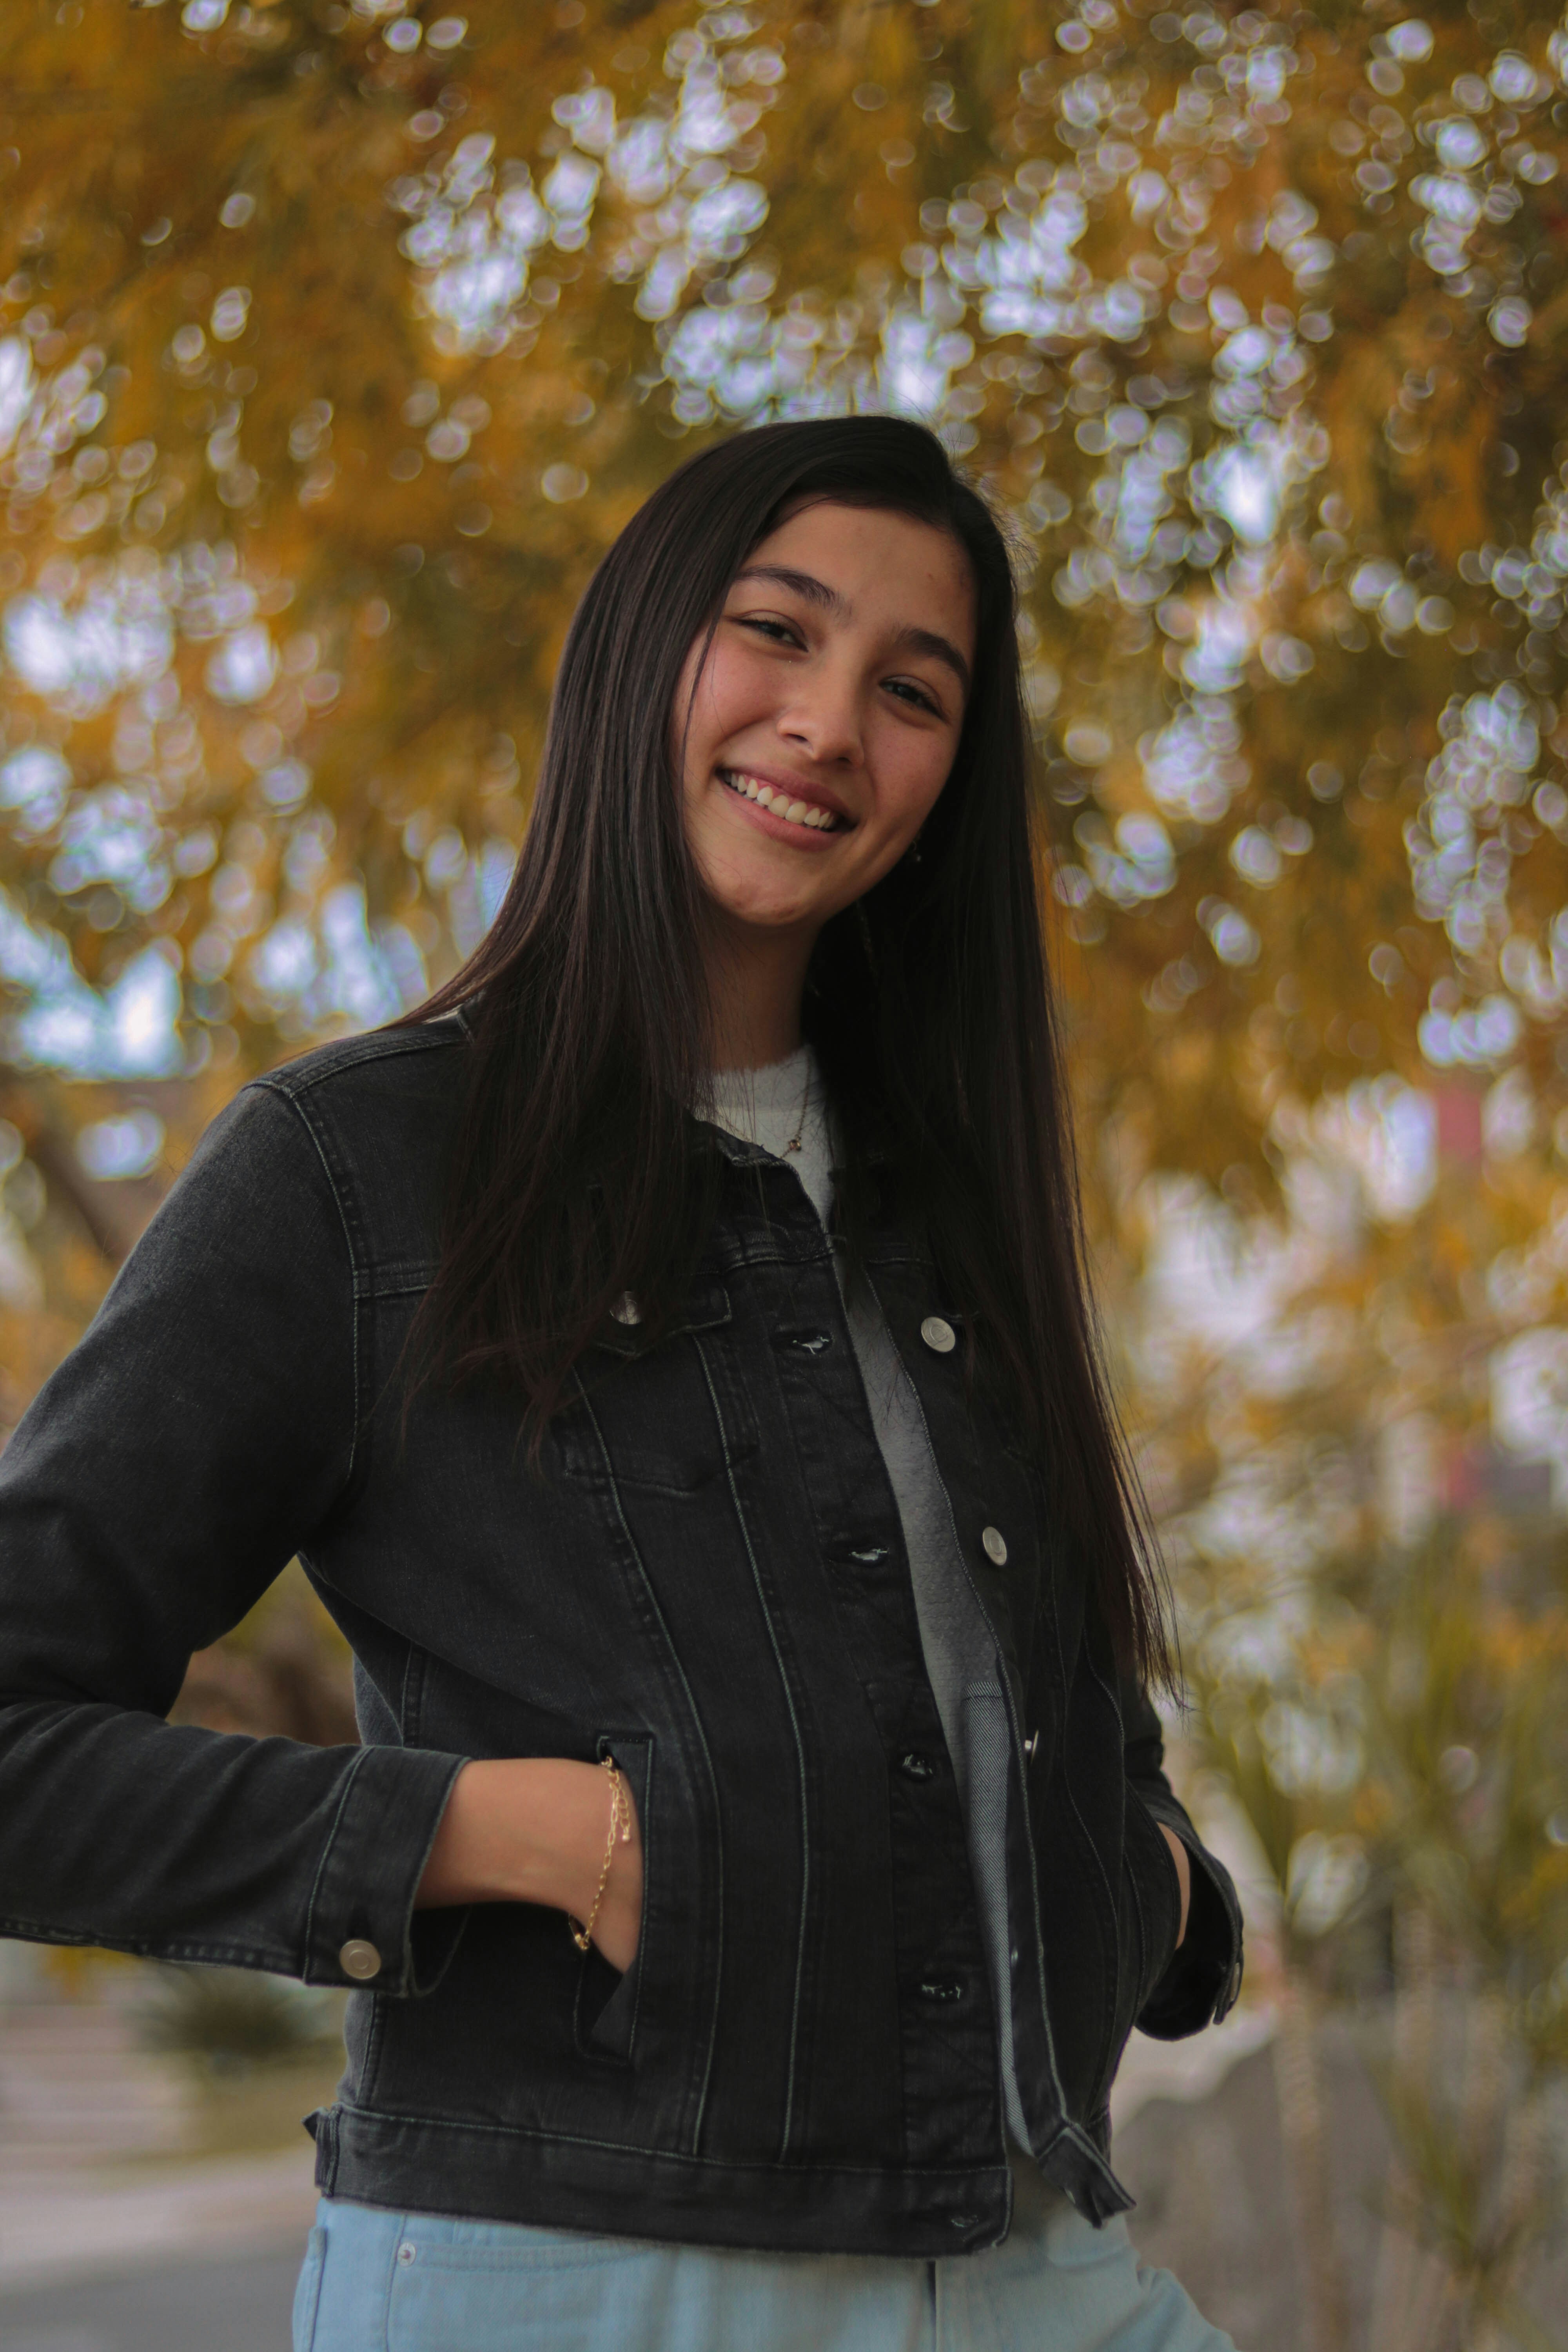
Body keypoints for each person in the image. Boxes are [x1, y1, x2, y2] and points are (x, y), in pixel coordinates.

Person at [0, 417, 1244, 2350]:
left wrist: (1157, 1881)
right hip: (579, 2285)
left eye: (911, 691)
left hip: (1030, 2259)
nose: (831, 724)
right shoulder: (357, 1171)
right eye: (778, 631)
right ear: (646, 649)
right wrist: (521, 1838)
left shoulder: (946, 1194)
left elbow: (1026, 1671)